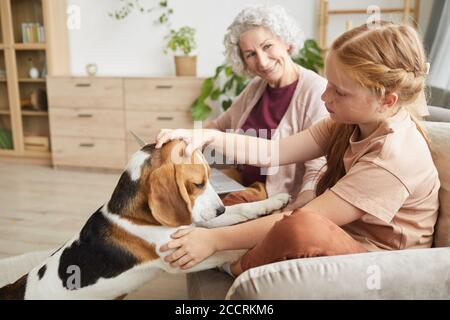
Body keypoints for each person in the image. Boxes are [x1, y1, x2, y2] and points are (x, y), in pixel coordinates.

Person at [156, 21, 440, 277]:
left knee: (301, 225)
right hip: (342, 234)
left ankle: (236, 265)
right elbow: (274, 152)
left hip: (380, 262)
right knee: (288, 218)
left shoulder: (393, 155)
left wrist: (214, 241)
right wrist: (205, 136)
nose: (325, 96)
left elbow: (312, 219)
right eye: (328, 83)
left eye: (339, 92)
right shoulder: (347, 122)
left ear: (387, 101)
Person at [204, 5, 328, 209]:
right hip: (239, 184)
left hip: (277, 196)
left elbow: (318, 166)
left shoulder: (315, 90)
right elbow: (218, 125)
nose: (262, 62)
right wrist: (185, 143)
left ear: (286, 42)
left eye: (267, 46)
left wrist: (299, 210)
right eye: (250, 54)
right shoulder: (257, 87)